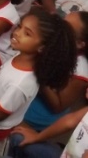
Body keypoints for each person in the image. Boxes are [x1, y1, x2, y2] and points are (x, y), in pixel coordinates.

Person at [0, 8, 76, 149]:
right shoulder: (21, 56)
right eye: (20, 26)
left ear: (42, 47)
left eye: (27, 33)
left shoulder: (21, 83)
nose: (17, 33)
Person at [6, 11, 88, 157]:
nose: (59, 26)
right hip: (29, 91)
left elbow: (58, 106)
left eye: (67, 27)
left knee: (2, 124)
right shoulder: (54, 43)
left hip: (41, 112)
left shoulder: (81, 70)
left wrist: (39, 68)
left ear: (79, 44)